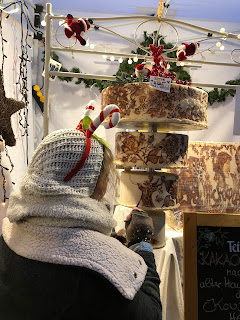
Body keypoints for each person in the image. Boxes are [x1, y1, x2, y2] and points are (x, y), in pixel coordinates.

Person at [0, 127, 162, 320]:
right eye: (103, 174)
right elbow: (150, 314)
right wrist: (141, 244)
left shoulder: (10, 231)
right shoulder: (100, 261)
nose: (107, 180)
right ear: (87, 181)